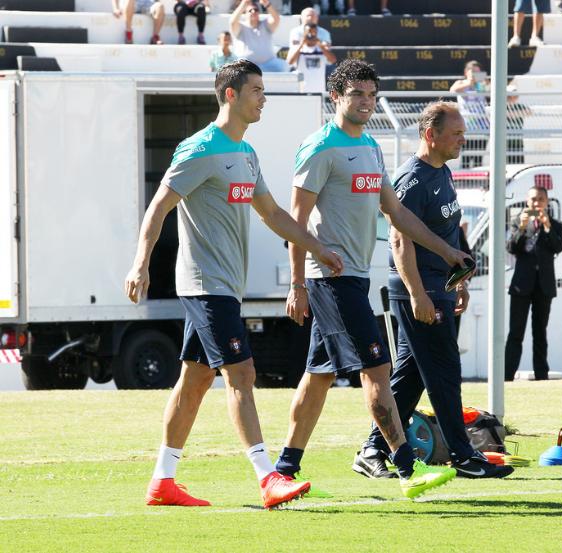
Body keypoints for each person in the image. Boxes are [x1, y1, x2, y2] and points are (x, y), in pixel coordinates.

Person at [124, 60, 344, 509]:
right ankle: (268, 478)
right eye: (257, 91)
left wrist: (316, 247)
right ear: (231, 95)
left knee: (195, 381)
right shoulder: (199, 149)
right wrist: (140, 263)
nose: (264, 98)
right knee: (242, 373)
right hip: (205, 284)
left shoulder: (246, 153)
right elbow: (159, 207)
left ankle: (162, 482)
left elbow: (274, 214)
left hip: (225, 286)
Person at [274, 59, 470, 499]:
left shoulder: (371, 148)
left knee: (319, 376)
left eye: (370, 94)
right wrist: (297, 283)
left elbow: (396, 213)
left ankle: (284, 468)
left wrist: (446, 249)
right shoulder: (320, 147)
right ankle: (404, 467)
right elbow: (296, 220)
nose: (365, 102)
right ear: (335, 97)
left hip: (356, 276)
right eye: (356, 94)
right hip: (330, 278)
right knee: (377, 368)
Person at [353, 102, 513, 481]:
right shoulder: (412, 178)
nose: (463, 139)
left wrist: (459, 281)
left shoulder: (443, 173)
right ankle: (462, 454)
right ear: (431, 135)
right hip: (417, 288)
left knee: (412, 374)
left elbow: (448, 232)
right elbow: (399, 238)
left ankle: (373, 447)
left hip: (438, 285)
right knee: (444, 369)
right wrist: (417, 294)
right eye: (456, 133)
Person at [504, 186, 562, 381]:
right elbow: (512, 247)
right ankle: (506, 376)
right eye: (533, 199)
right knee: (516, 333)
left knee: (540, 333)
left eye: (540, 199)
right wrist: (522, 228)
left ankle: (541, 375)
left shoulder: (556, 225)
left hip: (544, 286)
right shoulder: (517, 222)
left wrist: (547, 226)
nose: (536, 203)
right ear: (527, 202)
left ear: (547, 202)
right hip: (521, 285)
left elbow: (558, 246)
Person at [450, 60, 489, 168]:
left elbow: (492, 91)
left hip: (482, 126)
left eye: (478, 72)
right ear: (466, 72)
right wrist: (469, 82)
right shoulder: (461, 83)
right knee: (466, 157)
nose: (476, 75)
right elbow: (453, 91)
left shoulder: (481, 85)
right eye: (473, 72)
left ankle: (478, 182)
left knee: (478, 158)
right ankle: (464, 181)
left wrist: (485, 83)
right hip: (467, 126)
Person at [230, 0, 286, 73]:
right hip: (246, 66)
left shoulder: (265, 24)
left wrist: (267, 4)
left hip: (268, 64)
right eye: (250, 10)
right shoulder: (240, 26)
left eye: (256, 10)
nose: (253, 11)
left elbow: (276, 19)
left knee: (282, 67)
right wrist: (243, 4)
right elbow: (232, 22)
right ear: (245, 13)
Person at [287, 23, 336, 93]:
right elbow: (290, 62)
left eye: (314, 32)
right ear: (304, 33)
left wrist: (320, 45)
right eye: (309, 32)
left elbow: (333, 60)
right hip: (302, 90)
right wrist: (302, 44)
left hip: (319, 90)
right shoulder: (298, 48)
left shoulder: (322, 48)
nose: (311, 35)